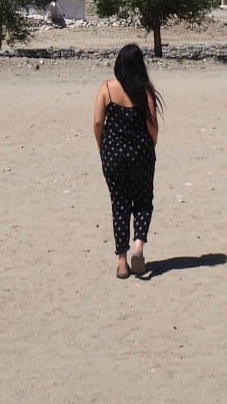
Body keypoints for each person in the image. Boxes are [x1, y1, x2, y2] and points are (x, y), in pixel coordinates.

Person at [93, 43, 163, 278]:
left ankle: (122, 262)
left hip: (114, 155)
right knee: (143, 200)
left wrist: (102, 147)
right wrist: (150, 147)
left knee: (119, 204)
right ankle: (139, 247)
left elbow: (97, 123)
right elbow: (153, 125)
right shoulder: (145, 90)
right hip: (141, 153)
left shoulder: (106, 89)